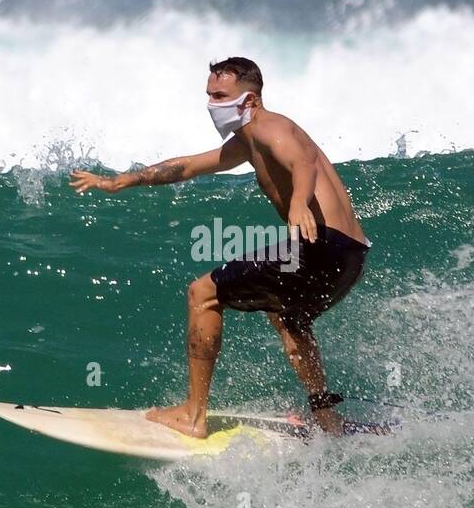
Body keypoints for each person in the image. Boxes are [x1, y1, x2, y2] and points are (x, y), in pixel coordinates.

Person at [70, 57, 370, 437]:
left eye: (221, 96)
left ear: (250, 100)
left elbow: (304, 163)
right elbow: (188, 167)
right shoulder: (248, 142)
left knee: (202, 293)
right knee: (288, 317)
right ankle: (325, 415)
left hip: (321, 243)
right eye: (209, 95)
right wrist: (124, 181)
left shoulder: (271, 127)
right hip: (350, 253)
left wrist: (298, 203)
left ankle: (193, 416)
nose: (212, 103)